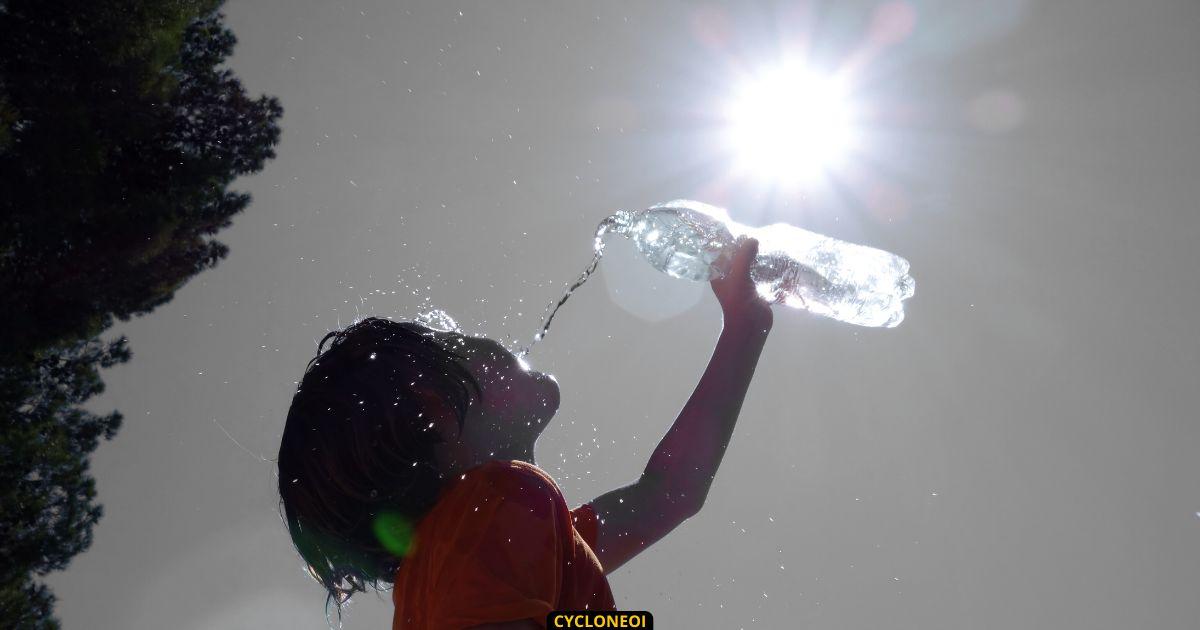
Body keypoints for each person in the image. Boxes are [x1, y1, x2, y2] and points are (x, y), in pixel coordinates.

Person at [277, 238, 773, 629]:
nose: (494, 343)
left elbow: (669, 493)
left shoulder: (492, 546)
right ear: (437, 410)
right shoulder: (497, 503)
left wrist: (745, 327)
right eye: (460, 343)